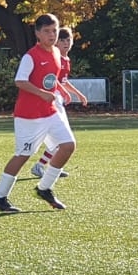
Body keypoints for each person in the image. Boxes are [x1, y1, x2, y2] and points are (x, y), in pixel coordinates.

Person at [0, 14, 74, 212]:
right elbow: (20, 81)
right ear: (37, 33)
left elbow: (52, 79)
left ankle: (44, 188)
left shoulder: (56, 52)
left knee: (68, 146)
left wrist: (60, 91)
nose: (52, 35)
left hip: (50, 112)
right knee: (23, 155)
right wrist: (42, 93)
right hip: (29, 116)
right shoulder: (31, 56)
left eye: (54, 30)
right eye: (46, 31)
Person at [31, 26, 87, 178]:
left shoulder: (66, 60)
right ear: (56, 42)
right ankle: (43, 166)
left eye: (68, 40)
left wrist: (78, 94)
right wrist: (63, 91)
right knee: (61, 136)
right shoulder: (54, 57)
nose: (66, 43)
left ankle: (48, 166)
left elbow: (63, 80)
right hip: (51, 98)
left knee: (61, 137)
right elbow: (52, 78)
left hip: (57, 98)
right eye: (62, 40)